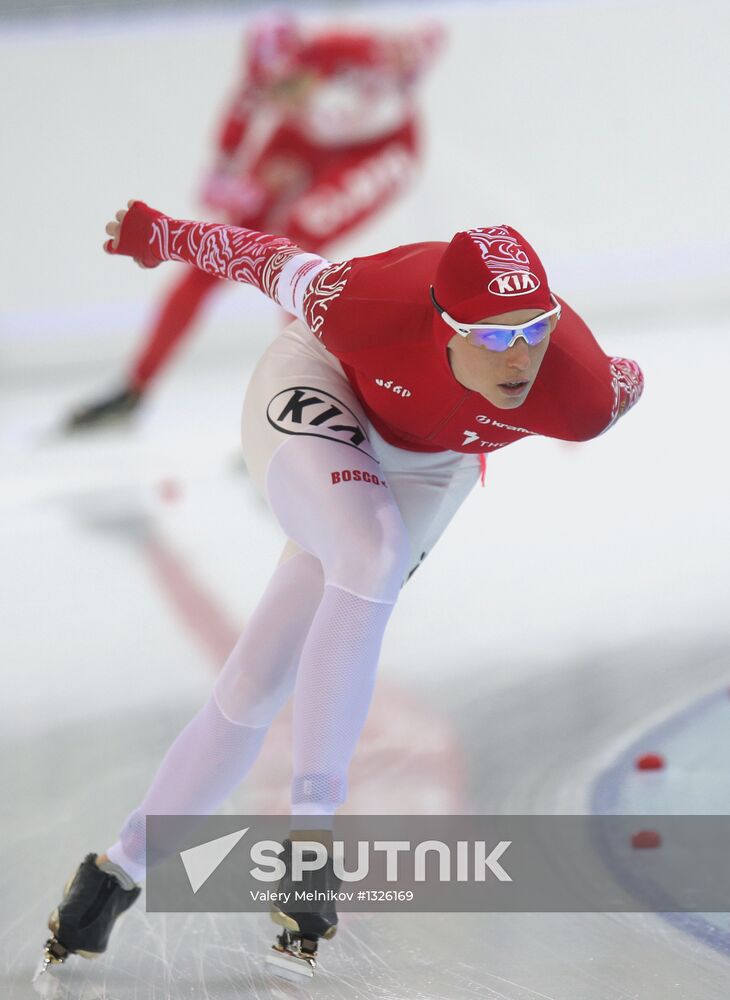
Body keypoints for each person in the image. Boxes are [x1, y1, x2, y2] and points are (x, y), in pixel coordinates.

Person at [41, 201, 644, 978]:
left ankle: (115, 871)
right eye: (494, 336)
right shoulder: (362, 302)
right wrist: (158, 235)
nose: (519, 357)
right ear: (442, 324)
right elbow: (260, 256)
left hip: (433, 461)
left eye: (535, 328)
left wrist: (611, 379)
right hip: (320, 381)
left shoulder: (579, 392)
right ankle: (313, 837)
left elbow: (627, 380)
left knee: (259, 681)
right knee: (372, 548)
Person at [64, 13, 443, 430]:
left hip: (381, 147)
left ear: (311, 64)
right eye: (271, 91)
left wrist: (413, 59)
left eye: (290, 86)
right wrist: (226, 178)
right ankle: (135, 387)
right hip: (303, 143)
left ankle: (316, 399)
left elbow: (431, 38)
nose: (283, 98)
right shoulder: (264, 87)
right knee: (219, 251)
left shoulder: (357, 51)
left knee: (300, 241)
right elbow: (226, 157)